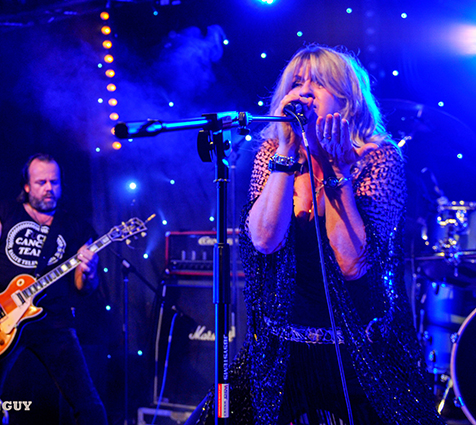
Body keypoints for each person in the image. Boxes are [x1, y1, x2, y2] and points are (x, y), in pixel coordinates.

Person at [186, 45, 444, 424]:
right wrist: (288, 150)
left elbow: (351, 264)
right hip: (283, 349)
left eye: (319, 83)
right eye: (297, 82)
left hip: (358, 353)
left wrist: (336, 170)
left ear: (348, 98)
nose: (305, 91)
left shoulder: (378, 158)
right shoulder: (273, 152)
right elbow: (263, 240)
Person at [0, 153, 108, 425]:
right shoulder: (2, 212)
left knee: (89, 407)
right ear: (26, 185)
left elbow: (83, 288)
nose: (49, 188)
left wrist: (90, 272)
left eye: (55, 182)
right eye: (41, 182)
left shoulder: (76, 226)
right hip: (0, 318)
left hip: (54, 320)